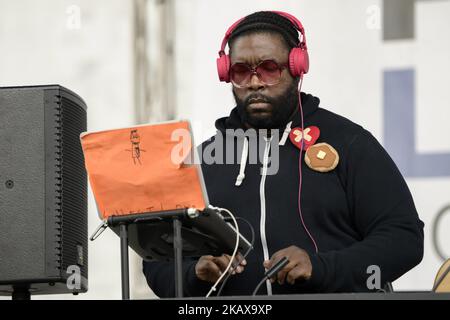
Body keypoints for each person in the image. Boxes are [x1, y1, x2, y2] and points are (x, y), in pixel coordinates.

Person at [143, 10, 424, 297]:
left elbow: (404, 239)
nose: (254, 83)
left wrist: (321, 268)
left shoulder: (350, 142)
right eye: (241, 71)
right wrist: (194, 274)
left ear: (297, 67)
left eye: (269, 69)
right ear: (226, 73)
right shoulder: (202, 161)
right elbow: (157, 260)